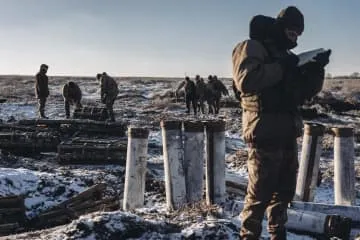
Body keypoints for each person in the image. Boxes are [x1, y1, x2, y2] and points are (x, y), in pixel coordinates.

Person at [232, 6, 330, 239]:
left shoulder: (286, 56)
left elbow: (302, 93)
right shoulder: (251, 46)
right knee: (258, 197)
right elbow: (247, 80)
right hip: (263, 133)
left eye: (298, 34)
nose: (294, 37)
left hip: (287, 133)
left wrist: (316, 70)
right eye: (291, 31)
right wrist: (282, 67)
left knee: (283, 196)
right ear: (281, 27)